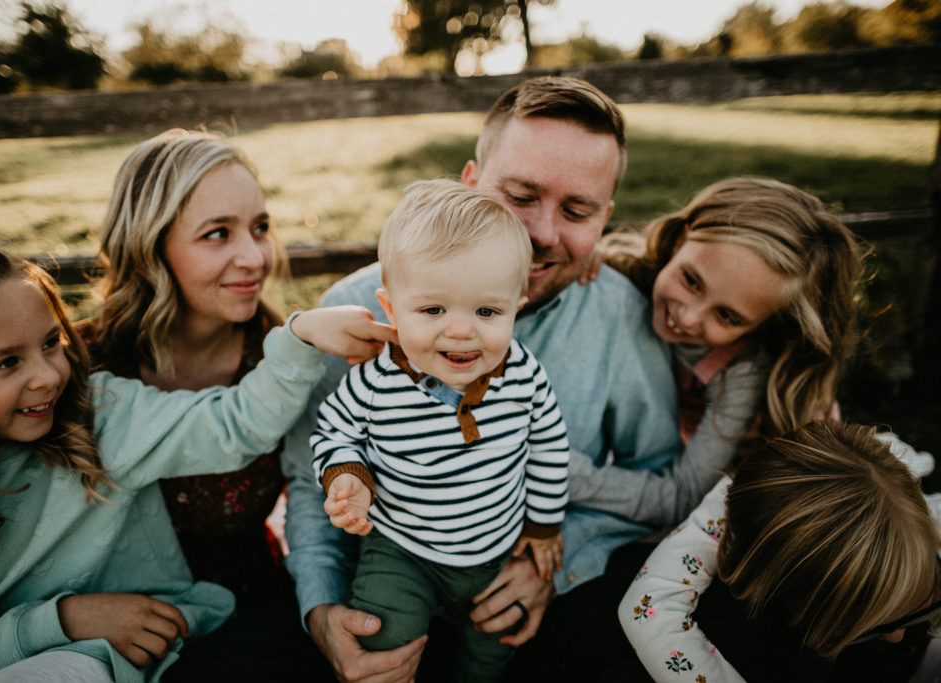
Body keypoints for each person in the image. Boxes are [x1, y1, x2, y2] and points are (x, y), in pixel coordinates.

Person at [281, 75, 684, 681]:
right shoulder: (359, 309)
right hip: (383, 582)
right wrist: (320, 612)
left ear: (605, 218)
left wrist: (559, 560)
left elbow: (653, 476)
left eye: (577, 210)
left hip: (527, 605)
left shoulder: (621, 316)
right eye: (520, 196)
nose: (543, 233)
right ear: (469, 184)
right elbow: (310, 483)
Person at [0, 239, 392, 682]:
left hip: (170, 648)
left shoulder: (98, 416)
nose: (46, 376)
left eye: (49, 344)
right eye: (5, 363)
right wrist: (64, 620)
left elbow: (236, 423)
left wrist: (301, 337)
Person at [81, 129, 360, 679]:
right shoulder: (82, 369)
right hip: (118, 627)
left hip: (253, 607)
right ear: (146, 252)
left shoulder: (283, 355)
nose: (254, 256)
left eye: (260, 228)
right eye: (217, 234)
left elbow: (311, 487)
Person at [310, 179, 570, 681]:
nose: (460, 330)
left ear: (516, 307)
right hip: (402, 548)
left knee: (494, 645)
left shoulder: (523, 374)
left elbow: (549, 443)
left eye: (487, 311)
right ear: (391, 309)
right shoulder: (375, 381)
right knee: (382, 637)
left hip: (499, 546)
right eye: (432, 310)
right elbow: (334, 430)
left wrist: (544, 525)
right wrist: (347, 475)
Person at [584, 176, 865, 521]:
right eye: (691, 280)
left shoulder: (743, 371)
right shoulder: (626, 278)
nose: (687, 318)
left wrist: (562, 475)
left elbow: (684, 495)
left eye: (727, 316)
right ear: (680, 242)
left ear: (765, 325)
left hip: (743, 486)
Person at [618, 420, 941, 682]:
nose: (898, 637)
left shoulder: (908, 518)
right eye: (878, 626)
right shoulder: (720, 520)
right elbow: (648, 611)